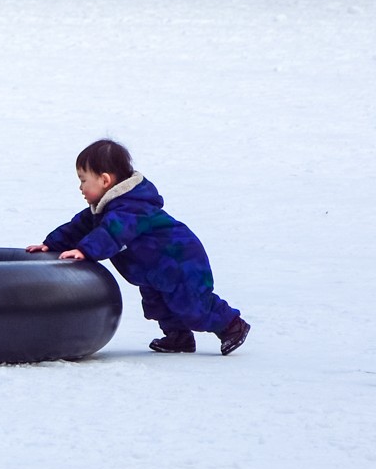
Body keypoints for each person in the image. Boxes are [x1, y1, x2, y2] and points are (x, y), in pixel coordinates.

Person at [29, 139, 250, 355]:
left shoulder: (131, 208)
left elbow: (113, 232)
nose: (80, 187)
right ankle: (178, 337)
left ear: (105, 180)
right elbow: (77, 227)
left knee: (193, 305)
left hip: (181, 259)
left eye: (83, 180)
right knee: (158, 304)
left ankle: (232, 325)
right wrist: (51, 244)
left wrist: (86, 250)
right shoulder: (104, 209)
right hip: (153, 269)